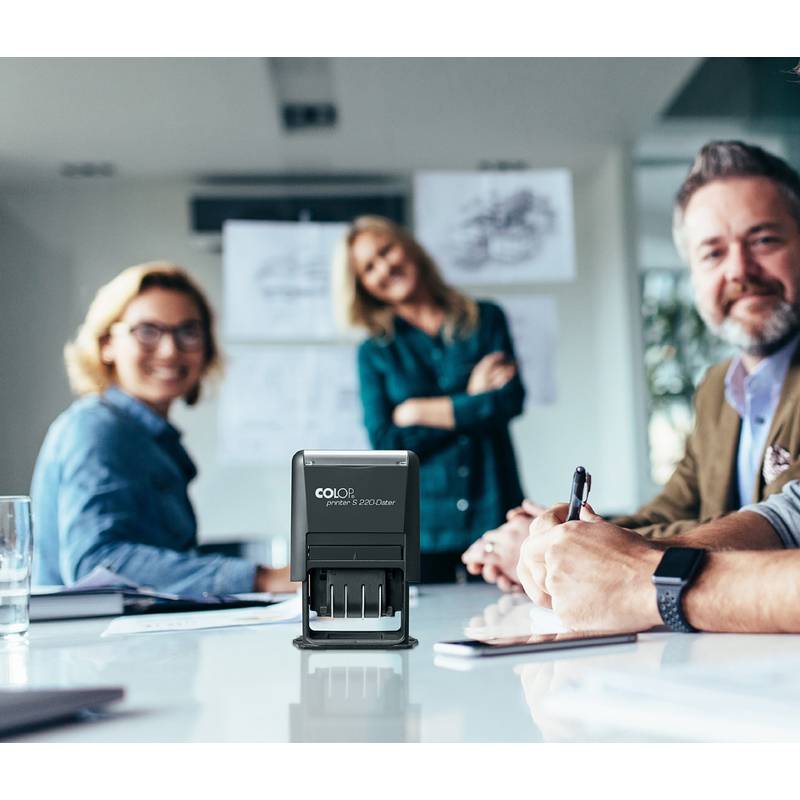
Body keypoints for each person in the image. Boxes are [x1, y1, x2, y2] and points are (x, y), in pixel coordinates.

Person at [463, 139, 800, 591]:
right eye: (713, 253)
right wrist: (559, 535)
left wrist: (573, 548)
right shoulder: (718, 387)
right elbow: (674, 509)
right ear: (694, 273)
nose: (739, 270)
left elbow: (779, 527)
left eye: (763, 240)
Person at [31, 262, 293, 595]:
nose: (170, 350)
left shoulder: (150, 439)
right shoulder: (97, 430)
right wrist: (261, 578)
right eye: (147, 331)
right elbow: (96, 564)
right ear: (106, 344)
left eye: (188, 331)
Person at [332, 215, 525, 582]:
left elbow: (509, 401)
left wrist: (420, 411)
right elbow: (388, 443)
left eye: (386, 251)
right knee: (426, 633)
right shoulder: (375, 351)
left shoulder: (485, 319)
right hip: (422, 530)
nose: (384, 267)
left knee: (508, 624)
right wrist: (471, 398)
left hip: (495, 511)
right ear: (362, 286)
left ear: (408, 247)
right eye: (369, 267)